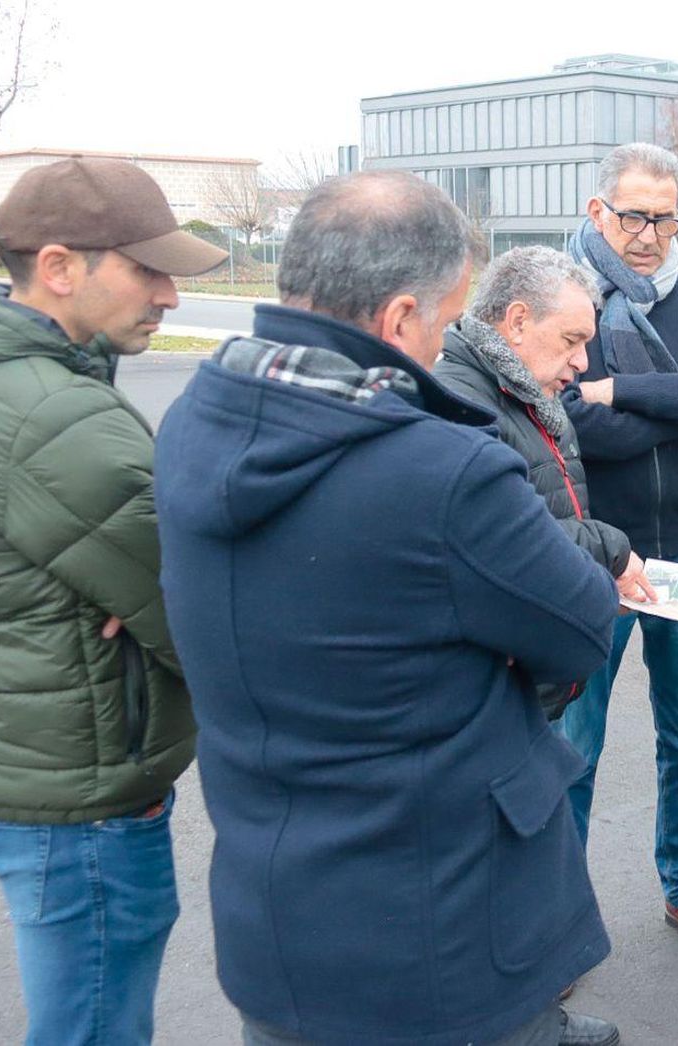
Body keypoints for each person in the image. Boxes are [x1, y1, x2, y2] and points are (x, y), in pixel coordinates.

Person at [153, 171, 622, 1046]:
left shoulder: (192, 423)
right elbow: (582, 625)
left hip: (277, 922)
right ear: (401, 321)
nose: (443, 344)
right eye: (444, 325)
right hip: (441, 938)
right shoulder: (443, 474)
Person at [0, 156, 222, 1044]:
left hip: (19, 757)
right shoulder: (53, 416)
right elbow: (199, 615)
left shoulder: (8, 380)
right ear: (63, 267)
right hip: (80, 794)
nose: (170, 298)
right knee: (95, 1021)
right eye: (148, 271)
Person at [559, 143, 678, 962]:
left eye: (665, 218)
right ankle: (557, 916)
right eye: (635, 215)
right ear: (600, 211)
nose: (650, 235)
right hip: (591, 559)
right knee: (572, 744)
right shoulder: (563, 297)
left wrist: (624, 390)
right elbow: (569, 419)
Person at [436, 245, 658, 720]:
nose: (582, 363)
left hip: (525, 689)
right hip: (490, 701)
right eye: (571, 340)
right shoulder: (464, 403)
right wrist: (607, 550)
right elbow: (500, 532)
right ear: (517, 322)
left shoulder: (525, 392)